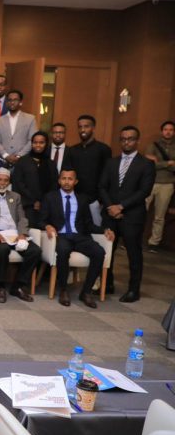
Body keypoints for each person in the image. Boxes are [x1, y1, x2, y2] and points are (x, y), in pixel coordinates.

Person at [40, 169, 115, 308]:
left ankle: (86, 292)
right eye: (63, 178)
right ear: (59, 180)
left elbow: (88, 224)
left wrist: (104, 230)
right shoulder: (50, 197)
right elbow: (41, 220)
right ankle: (63, 290)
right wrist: (48, 226)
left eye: (70, 179)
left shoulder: (82, 199)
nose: (66, 182)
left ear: (75, 181)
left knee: (99, 252)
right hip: (61, 235)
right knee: (63, 251)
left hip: (80, 236)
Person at [99, 126, 156, 303]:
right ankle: (107, 284)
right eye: (123, 139)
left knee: (133, 253)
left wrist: (121, 206)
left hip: (132, 215)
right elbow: (101, 186)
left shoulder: (146, 164)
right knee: (108, 251)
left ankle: (133, 289)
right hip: (110, 215)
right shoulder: (111, 162)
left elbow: (144, 191)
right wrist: (110, 207)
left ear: (137, 141)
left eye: (130, 139)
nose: (126, 142)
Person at [0, 168, 41, 303]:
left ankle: (18, 286)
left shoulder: (15, 196)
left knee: (35, 251)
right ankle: (1, 287)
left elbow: (22, 217)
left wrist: (22, 233)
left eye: (5, 180)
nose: (2, 183)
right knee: (2, 250)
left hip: (14, 234)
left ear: (9, 182)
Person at [66, 115, 111, 226]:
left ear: (93, 128)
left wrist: (101, 200)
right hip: (75, 199)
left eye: (86, 126)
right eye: (80, 127)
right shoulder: (72, 150)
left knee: (96, 233)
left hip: (95, 201)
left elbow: (108, 176)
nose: (82, 130)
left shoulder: (104, 149)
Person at [12, 132, 57, 228]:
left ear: (46, 144)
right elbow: (18, 183)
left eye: (41, 142)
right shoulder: (22, 161)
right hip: (26, 206)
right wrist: (33, 201)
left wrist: (43, 202)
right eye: (35, 142)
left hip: (46, 206)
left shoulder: (51, 163)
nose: (38, 145)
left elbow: (54, 185)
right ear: (31, 144)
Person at [144, 120, 175, 252]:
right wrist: (168, 163)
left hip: (167, 184)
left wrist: (158, 162)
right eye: (166, 129)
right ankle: (133, 238)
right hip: (150, 181)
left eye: (171, 129)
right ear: (162, 131)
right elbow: (148, 163)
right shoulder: (154, 145)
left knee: (159, 216)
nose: (168, 132)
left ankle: (154, 242)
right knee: (140, 212)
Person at [0, 90, 38, 165]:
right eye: (9, 100)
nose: (12, 102)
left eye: (15, 100)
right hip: (3, 161)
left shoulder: (30, 119)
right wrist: (6, 155)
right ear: (6, 102)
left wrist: (19, 156)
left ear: (21, 102)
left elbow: (32, 140)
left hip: (23, 161)